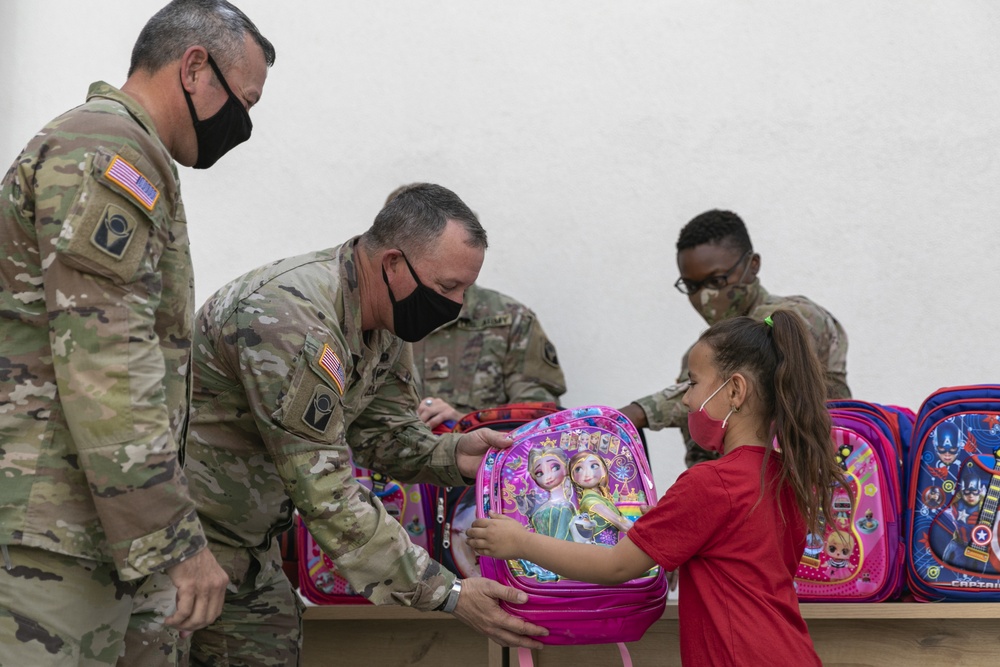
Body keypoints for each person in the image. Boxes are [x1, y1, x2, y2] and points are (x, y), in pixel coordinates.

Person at [157, 183, 547, 665]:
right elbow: (325, 492)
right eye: (448, 287)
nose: (459, 305)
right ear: (393, 264)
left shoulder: (384, 319)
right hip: (176, 549)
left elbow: (386, 436)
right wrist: (447, 592)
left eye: (465, 288)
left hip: (248, 550)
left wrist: (455, 456)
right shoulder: (289, 317)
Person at [0, 1, 274, 664]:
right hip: (52, 531)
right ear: (193, 68)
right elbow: (108, 364)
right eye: (244, 101)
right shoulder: (108, 148)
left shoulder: (129, 152)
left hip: (89, 526)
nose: (246, 124)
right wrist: (177, 541)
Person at [469, 310, 849, 666]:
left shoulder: (712, 482)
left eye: (693, 383)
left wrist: (519, 542)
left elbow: (616, 565)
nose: (685, 398)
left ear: (735, 391)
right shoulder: (785, 475)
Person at [620, 209, 850, 468]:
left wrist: (638, 413)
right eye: (692, 287)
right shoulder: (696, 359)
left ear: (752, 265)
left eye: (717, 281)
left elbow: (749, 357)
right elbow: (703, 455)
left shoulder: (793, 318)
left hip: (817, 479)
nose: (705, 297)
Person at [569, 450, 634, 545]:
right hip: (601, 550)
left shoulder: (601, 497)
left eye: (593, 466)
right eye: (578, 469)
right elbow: (621, 523)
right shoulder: (591, 501)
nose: (587, 473)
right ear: (573, 477)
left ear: (604, 469)